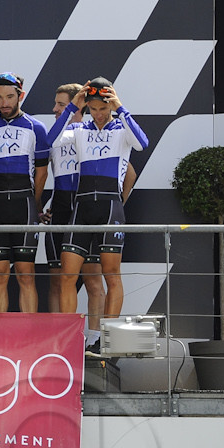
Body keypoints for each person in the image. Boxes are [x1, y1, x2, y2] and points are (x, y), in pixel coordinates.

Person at [46, 78, 149, 348]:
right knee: (67, 275)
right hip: (81, 208)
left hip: (110, 206)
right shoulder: (79, 129)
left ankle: (107, 341)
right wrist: (72, 107)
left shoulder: (121, 129)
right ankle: (70, 340)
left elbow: (142, 143)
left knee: (111, 275)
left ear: (110, 105)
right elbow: (50, 140)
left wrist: (121, 109)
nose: (99, 114)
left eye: (103, 108)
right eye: (93, 109)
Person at [0, 72, 50, 313]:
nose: (4, 103)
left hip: (24, 206)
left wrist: (34, 202)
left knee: (26, 273)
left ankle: (29, 332)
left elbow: (42, 173)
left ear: (20, 95)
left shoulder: (36, 127)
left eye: (10, 97)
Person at [42, 83, 105, 318]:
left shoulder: (92, 132)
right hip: (60, 210)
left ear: (77, 105)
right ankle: (59, 335)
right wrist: (40, 208)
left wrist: (112, 207)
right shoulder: (54, 137)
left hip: (87, 211)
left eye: (61, 104)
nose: (55, 109)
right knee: (57, 280)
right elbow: (40, 174)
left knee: (92, 280)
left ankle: (95, 336)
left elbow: (128, 173)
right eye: (56, 104)